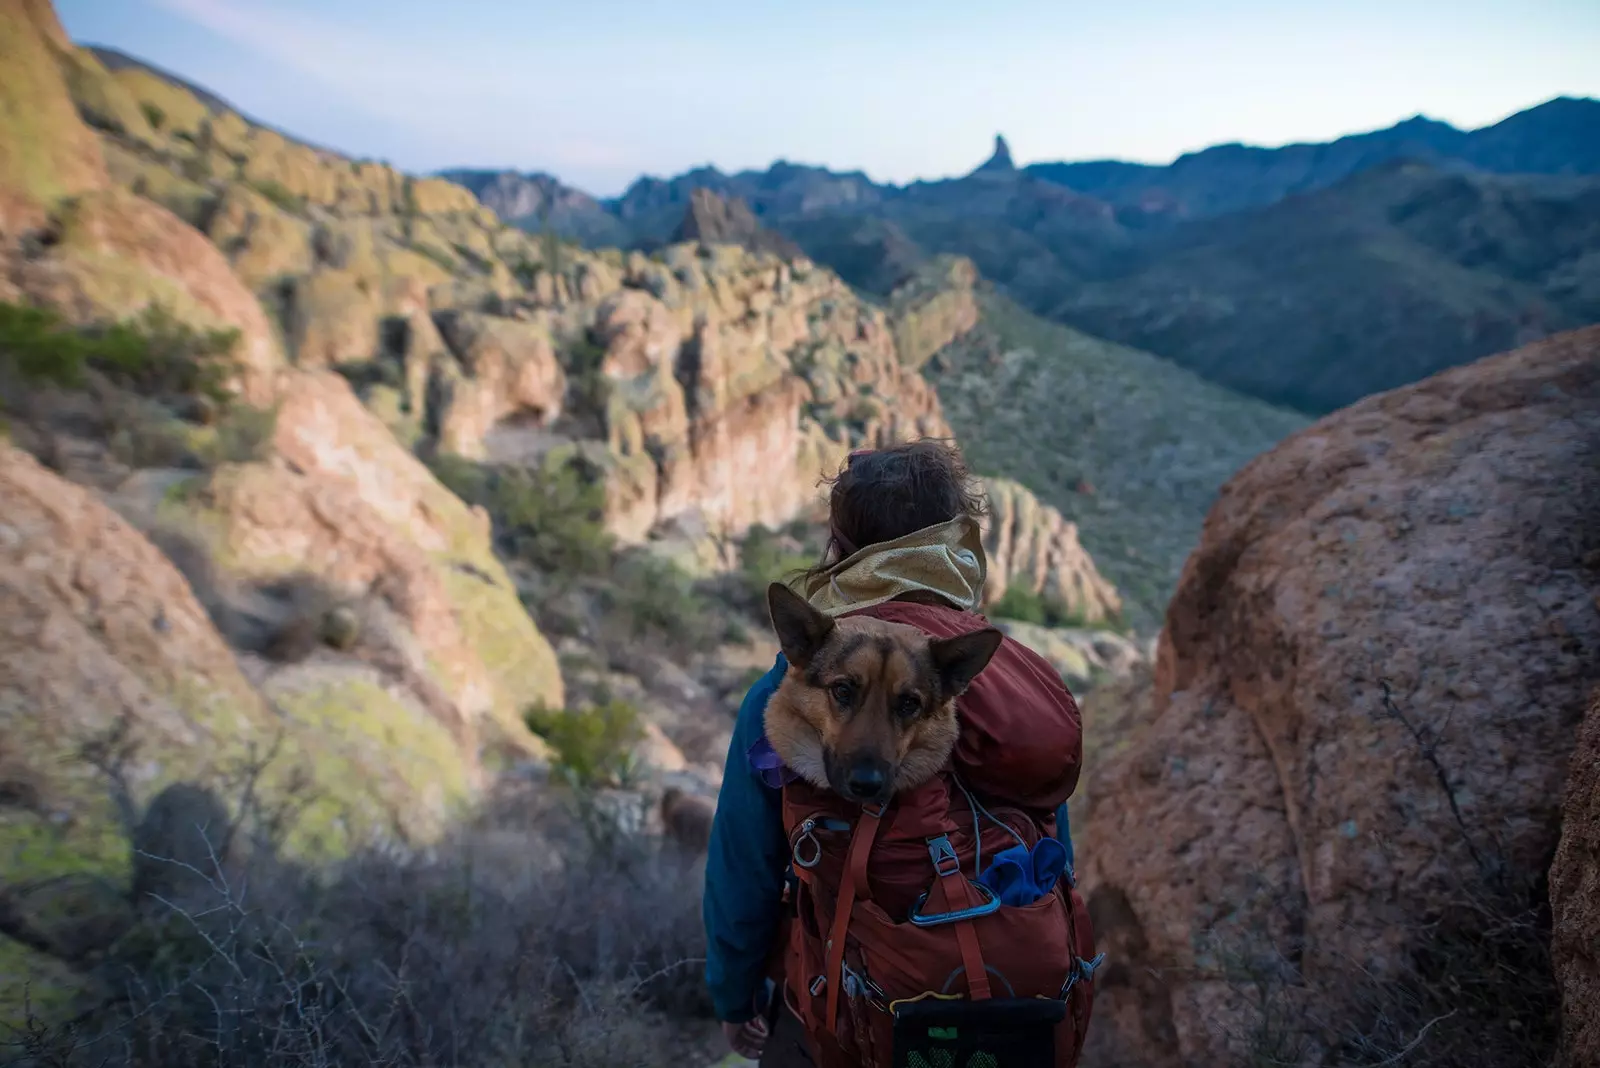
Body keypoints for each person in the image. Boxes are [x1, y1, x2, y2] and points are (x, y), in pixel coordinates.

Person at [702, 439, 1084, 1065]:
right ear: (954, 542)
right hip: (1014, 1014)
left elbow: (743, 869)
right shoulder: (1008, 679)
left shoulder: (792, 685)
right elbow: (1054, 852)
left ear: (842, 545)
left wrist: (734, 996)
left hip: (838, 1013)